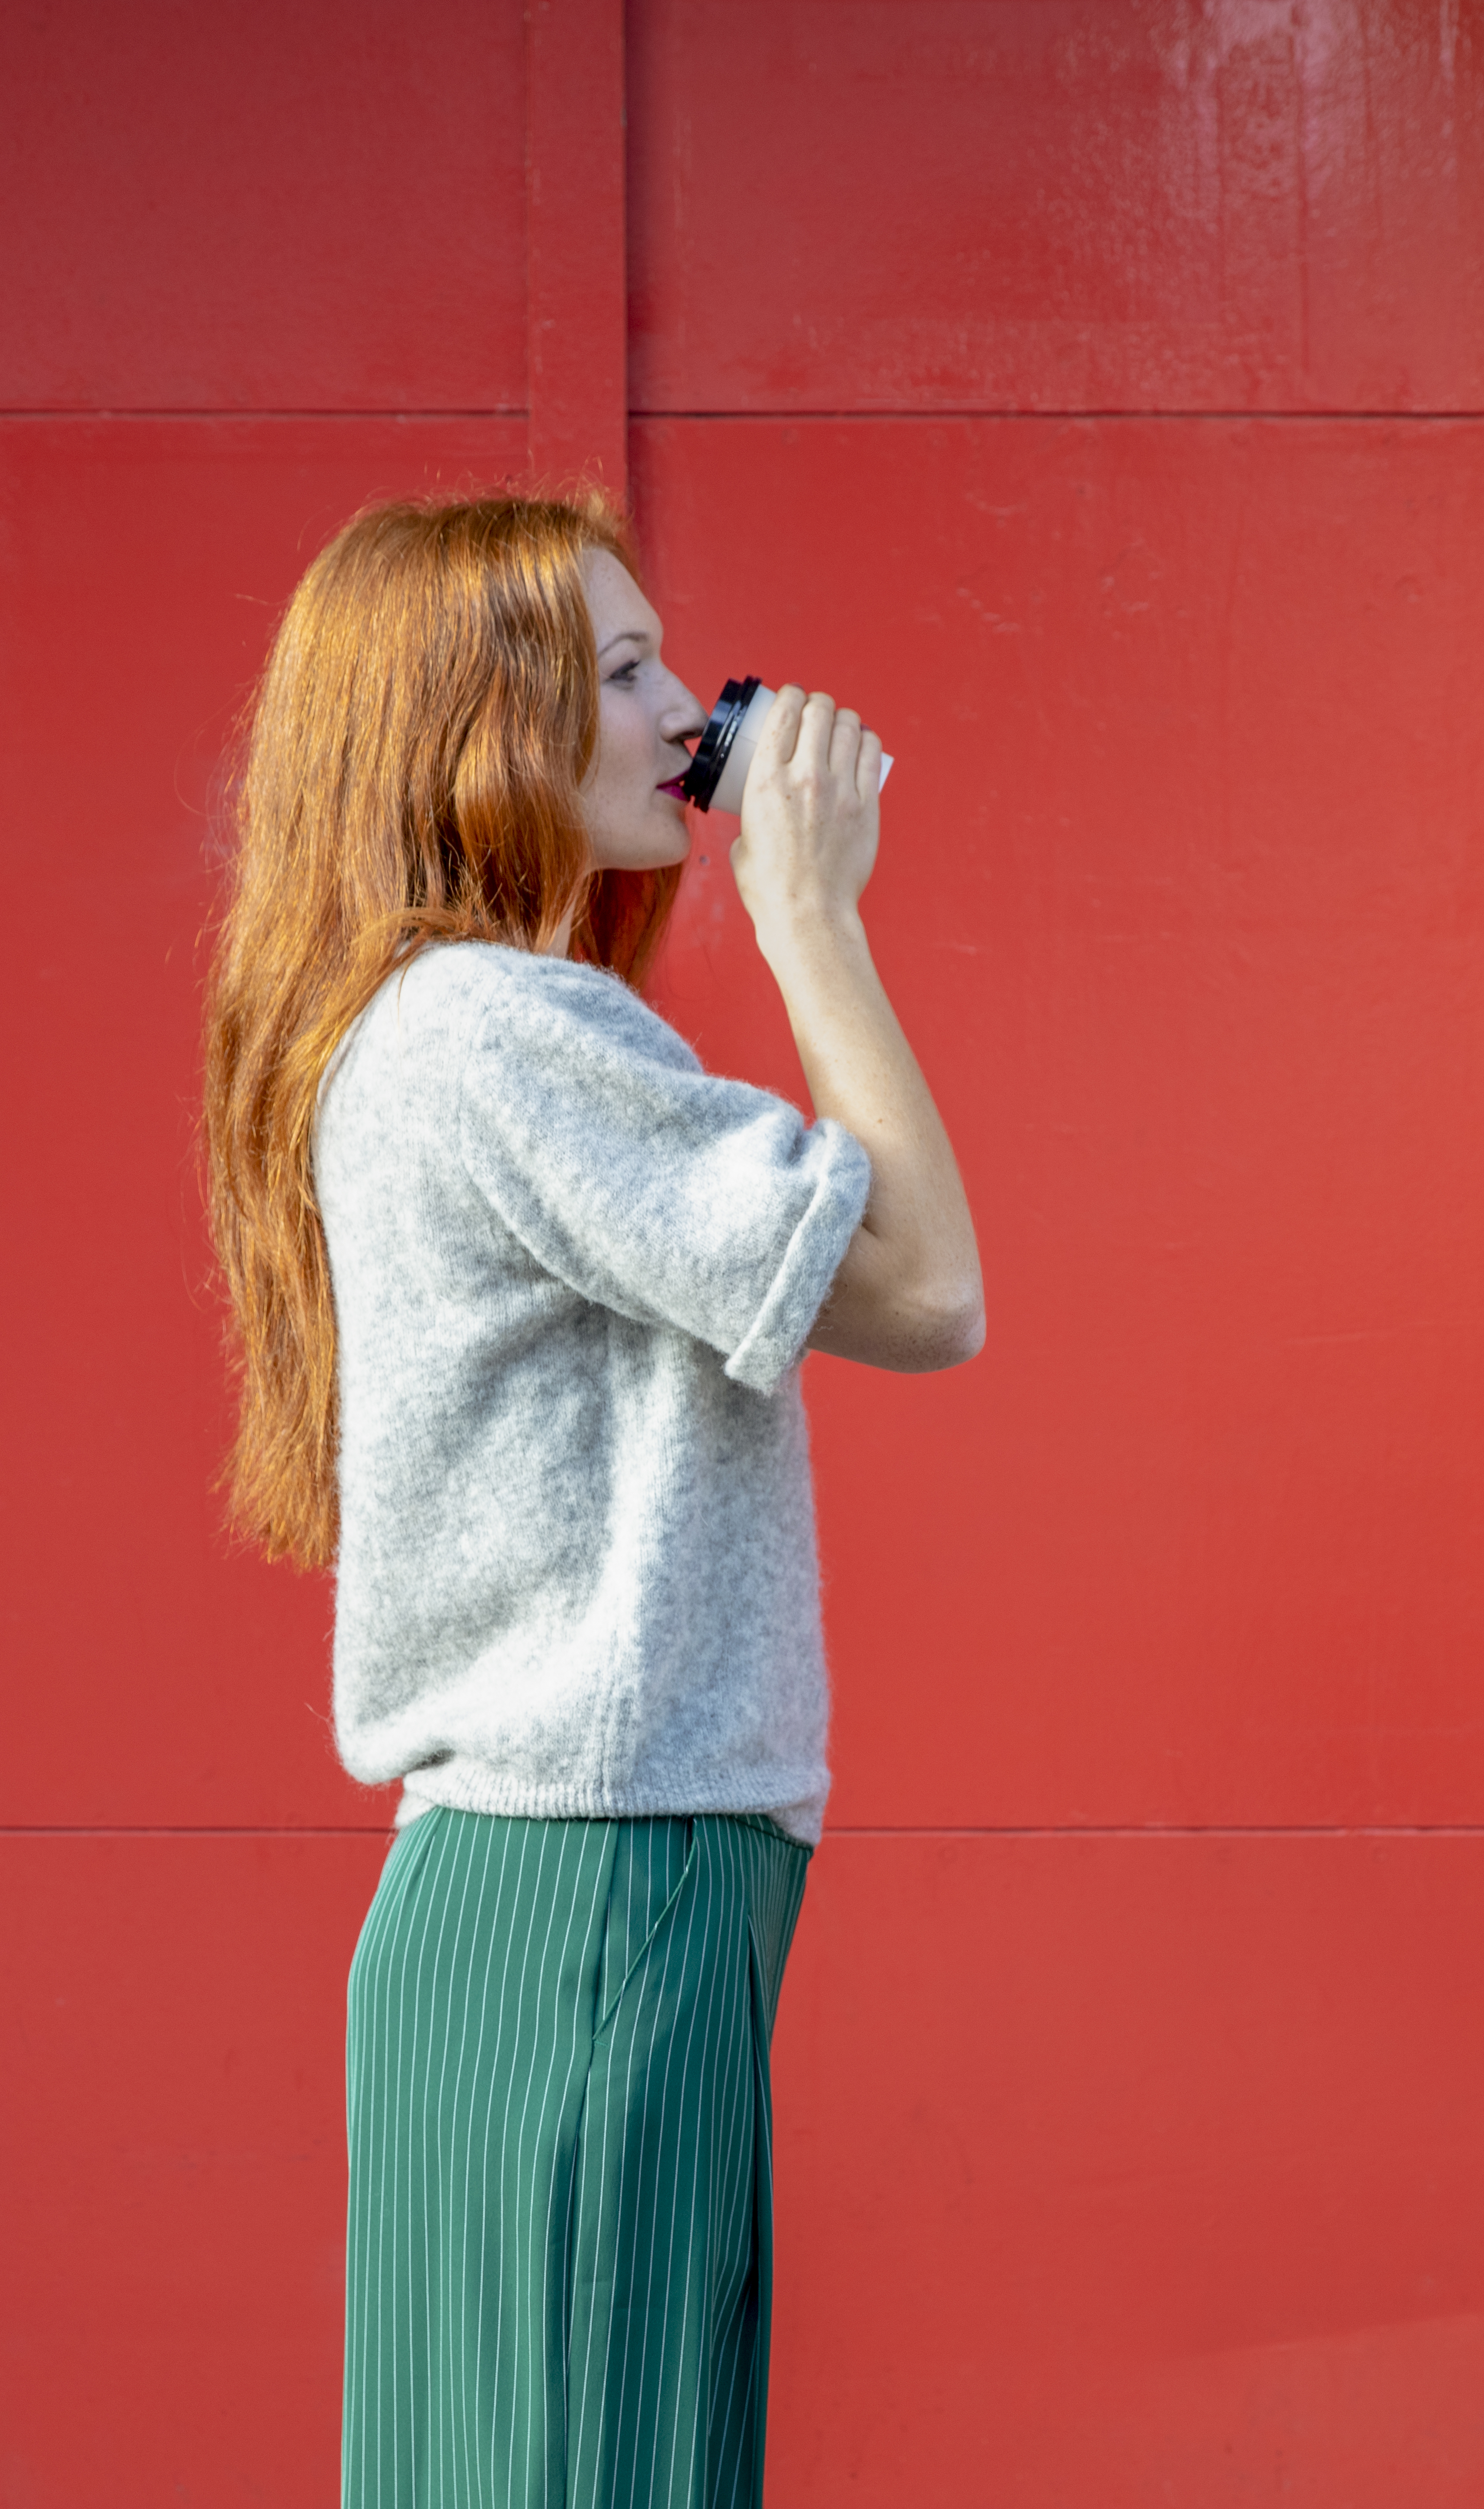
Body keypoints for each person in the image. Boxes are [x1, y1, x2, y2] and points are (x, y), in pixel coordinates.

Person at [203, 491, 983, 2508]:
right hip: (598, 1887)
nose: (677, 710)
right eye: (619, 670)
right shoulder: (497, 1027)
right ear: (481, 726)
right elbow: (928, 1291)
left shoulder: (439, 1031)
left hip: (554, 1887)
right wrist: (816, 915)